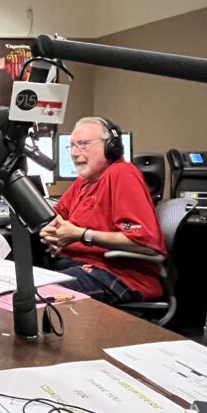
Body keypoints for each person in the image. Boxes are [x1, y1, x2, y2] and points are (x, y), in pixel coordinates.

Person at [39, 117, 165, 305]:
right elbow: (57, 216)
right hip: (79, 264)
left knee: (36, 294)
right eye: (71, 146)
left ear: (111, 146)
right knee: (21, 281)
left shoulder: (122, 174)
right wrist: (51, 232)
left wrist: (82, 235)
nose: (74, 153)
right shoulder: (84, 182)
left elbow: (146, 242)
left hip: (119, 275)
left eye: (83, 144)